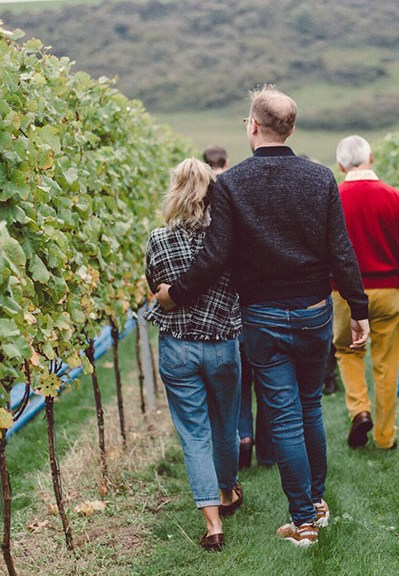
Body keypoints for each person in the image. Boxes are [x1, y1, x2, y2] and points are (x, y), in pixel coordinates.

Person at [156, 86, 370, 547]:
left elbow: (215, 256)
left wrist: (176, 293)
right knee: (310, 405)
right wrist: (358, 308)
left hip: (263, 318)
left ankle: (305, 520)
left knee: (286, 417)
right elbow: (341, 250)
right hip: (315, 311)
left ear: (253, 126)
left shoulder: (232, 184)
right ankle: (316, 501)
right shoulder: (320, 178)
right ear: (290, 128)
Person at [144, 158, 244, 553]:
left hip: (177, 346)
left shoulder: (157, 239)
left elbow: (157, 288)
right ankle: (227, 491)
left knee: (194, 434)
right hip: (222, 344)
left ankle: (213, 524)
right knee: (225, 426)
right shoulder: (226, 240)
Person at [332, 135, 399, 451]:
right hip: (388, 291)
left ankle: (360, 409)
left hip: (345, 292)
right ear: (371, 158)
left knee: (348, 350)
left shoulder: (334, 197)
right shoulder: (393, 197)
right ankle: (385, 436)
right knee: (387, 362)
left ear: (340, 165)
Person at [202, 145, 274, 470]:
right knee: (269, 376)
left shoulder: (205, 199)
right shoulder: (241, 195)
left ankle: (243, 436)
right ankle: (268, 450)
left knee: (241, 379)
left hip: (229, 309)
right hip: (258, 301)